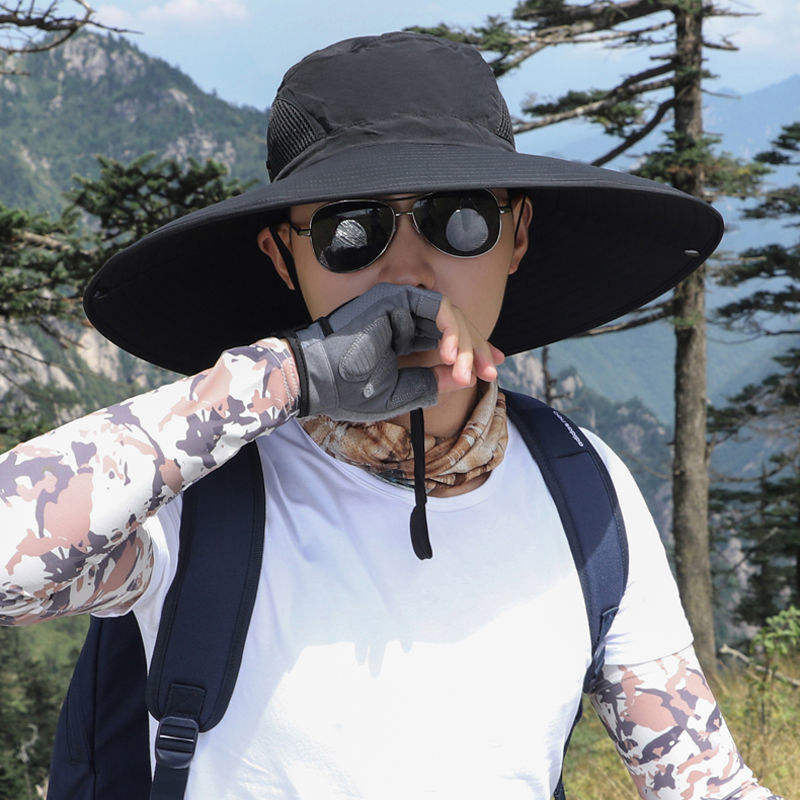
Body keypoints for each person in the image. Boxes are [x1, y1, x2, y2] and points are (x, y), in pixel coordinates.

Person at [0, 30, 784, 800]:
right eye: (351, 231)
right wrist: (287, 374)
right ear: (283, 257)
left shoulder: (585, 492)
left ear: (517, 233)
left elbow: (703, 784)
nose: (407, 271)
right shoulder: (202, 500)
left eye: (460, 218)